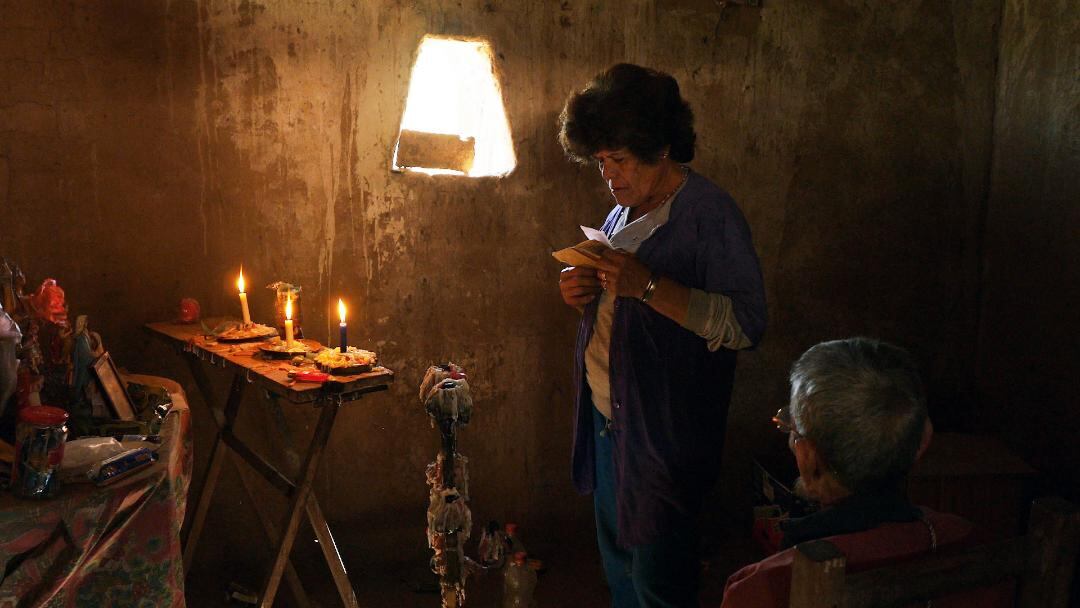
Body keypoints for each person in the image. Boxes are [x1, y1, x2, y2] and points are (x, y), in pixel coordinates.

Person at [557, 63, 767, 608]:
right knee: (620, 566)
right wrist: (584, 290)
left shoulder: (709, 216)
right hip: (610, 419)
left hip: (666, 435)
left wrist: (649, 286)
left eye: (620, 160)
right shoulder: (622, 211)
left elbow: (746, 324)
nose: (609, 176)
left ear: (661, 147)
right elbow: (621, 299)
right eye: (601, 162)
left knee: (659, 578)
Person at [720, 337, 1010, 608]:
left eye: (792, 429)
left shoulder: (760, 588)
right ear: (923, 440)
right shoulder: (976, 547)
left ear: (809, 459)